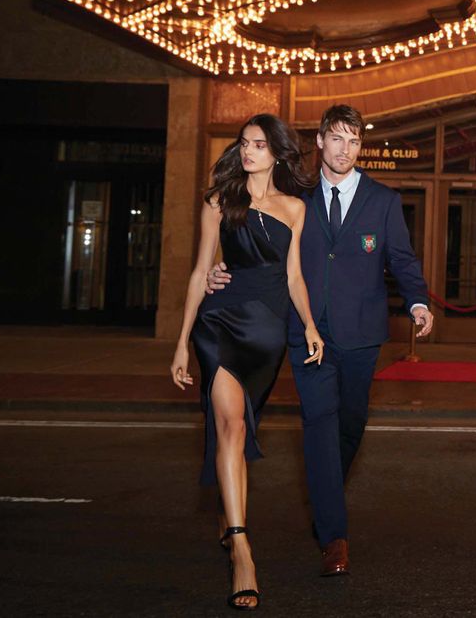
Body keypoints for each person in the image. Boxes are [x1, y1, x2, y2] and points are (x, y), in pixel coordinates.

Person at [208, 104, 433, 577]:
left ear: (360, 147)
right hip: (305, 331)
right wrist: (220, 269)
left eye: (354, 141)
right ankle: (334, 536)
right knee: (318, 424)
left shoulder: (384, 201)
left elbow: (403, 260)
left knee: (349, 426)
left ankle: (325, 492)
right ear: (321, 142)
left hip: (361, 334)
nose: (345, 149)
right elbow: (257, 245)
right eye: (337, 139)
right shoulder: (295, 196)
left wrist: (417, 303)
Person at [171, 114, 324, 611]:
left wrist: (309, 325)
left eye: (259, 144)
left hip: (268, 333)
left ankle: (226, 508)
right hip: (218, 324)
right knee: (231, 426)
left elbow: (295, 277)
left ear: (277, 152)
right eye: (243, 144)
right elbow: (200, 272)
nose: (248, 151)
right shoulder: (220, 201)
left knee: (240, 427)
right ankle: (241, 549)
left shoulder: (295, 209)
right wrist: (179, 342)